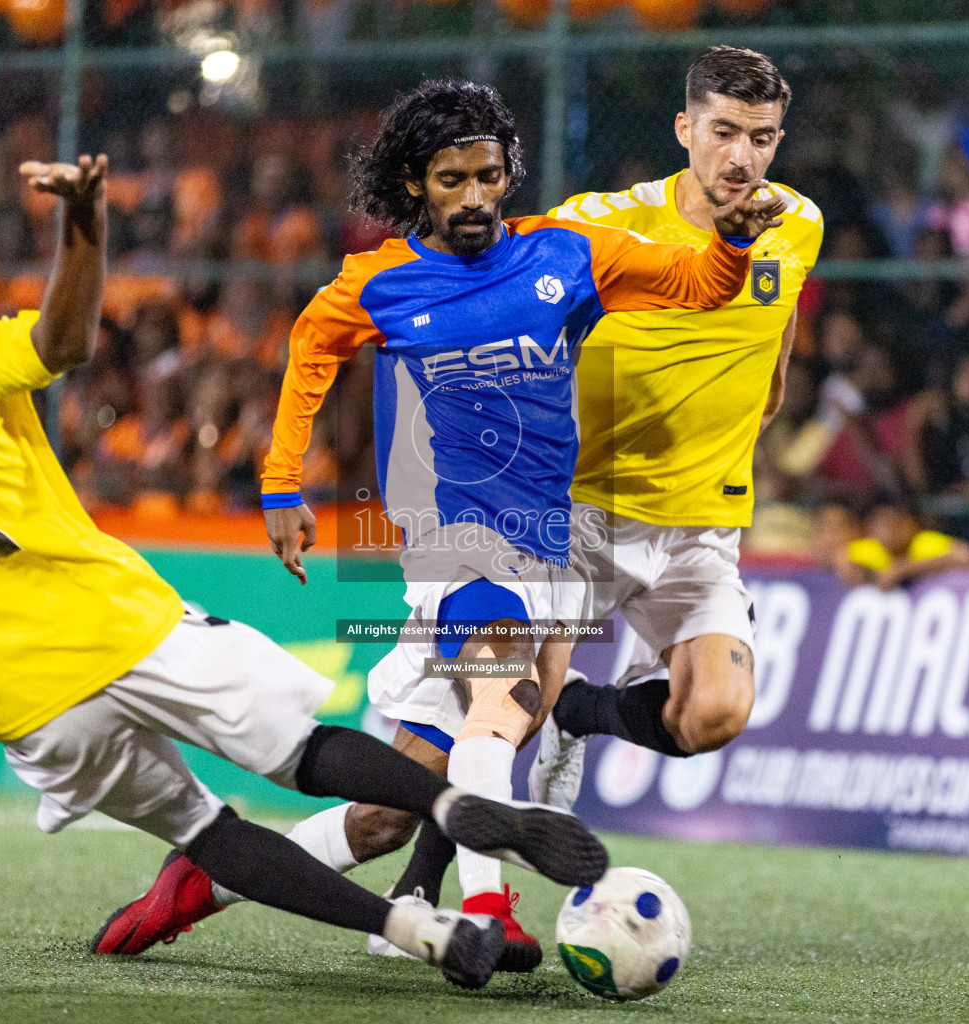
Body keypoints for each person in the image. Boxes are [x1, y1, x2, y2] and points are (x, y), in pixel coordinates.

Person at [0, 133, 608, 993]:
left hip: (26, 707)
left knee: (206, 833)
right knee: (303, 753)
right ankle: (456, 811)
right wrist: (87, 225)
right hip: (120, 626)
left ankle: (424, 928)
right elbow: (61, 343)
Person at [109, 77, 783, 972]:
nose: (472, 197)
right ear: (414, 182)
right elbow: (310, 350)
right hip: (453, 535)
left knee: (396, 807)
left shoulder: (566, 256)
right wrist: (281, 487)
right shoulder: (380, 281)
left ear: (508, 175)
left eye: (487, 176)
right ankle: (492, 914)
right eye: (450, 179)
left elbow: (699, 284)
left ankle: (199, 883)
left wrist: (732, 245)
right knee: (502, 711)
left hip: (550, 540)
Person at [529, 47, 822, 813]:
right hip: (581, 510)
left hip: (698, 523)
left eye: (761, 138)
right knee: (506, 709)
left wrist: (760, 402)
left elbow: (778, 331)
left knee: (713, 715)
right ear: (685, 128)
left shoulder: (797, 225)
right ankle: (430, 888)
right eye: (724, 132)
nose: (741, 156)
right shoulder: (599, 224)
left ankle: (580, 715)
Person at [837, 499, 969, 590]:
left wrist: (902, 570)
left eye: (897, 523)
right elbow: (842, 558)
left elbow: (963, 555)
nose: (891, 532)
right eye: (884, 525)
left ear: (912, 523)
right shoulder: (872, 548)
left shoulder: (922, 542)